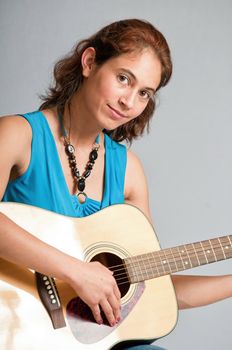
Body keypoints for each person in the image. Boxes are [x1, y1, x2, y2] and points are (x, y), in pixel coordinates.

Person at [0, 19, 231, 350]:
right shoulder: (16, 135)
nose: (129, 102)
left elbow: (151, 289)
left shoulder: (130, 172)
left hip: (90, 339)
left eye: (144, 93)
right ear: (90, 62)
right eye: (124, 79)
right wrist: (77, 273)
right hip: (16, 327)